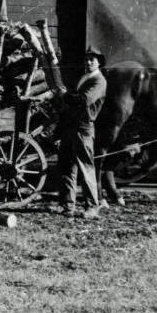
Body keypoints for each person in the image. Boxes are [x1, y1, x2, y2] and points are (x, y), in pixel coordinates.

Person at [56, 46, 108, 218]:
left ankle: (92, 207)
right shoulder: (85, 77)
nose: (88, 62)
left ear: (99, 62)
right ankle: (67, 205)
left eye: (92, 59)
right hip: (71, 126)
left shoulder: (99, 81)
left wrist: (65, 96)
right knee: (66, 166)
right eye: (86, 59)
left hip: (84, 127)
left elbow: (85, 101)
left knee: (85, 167)